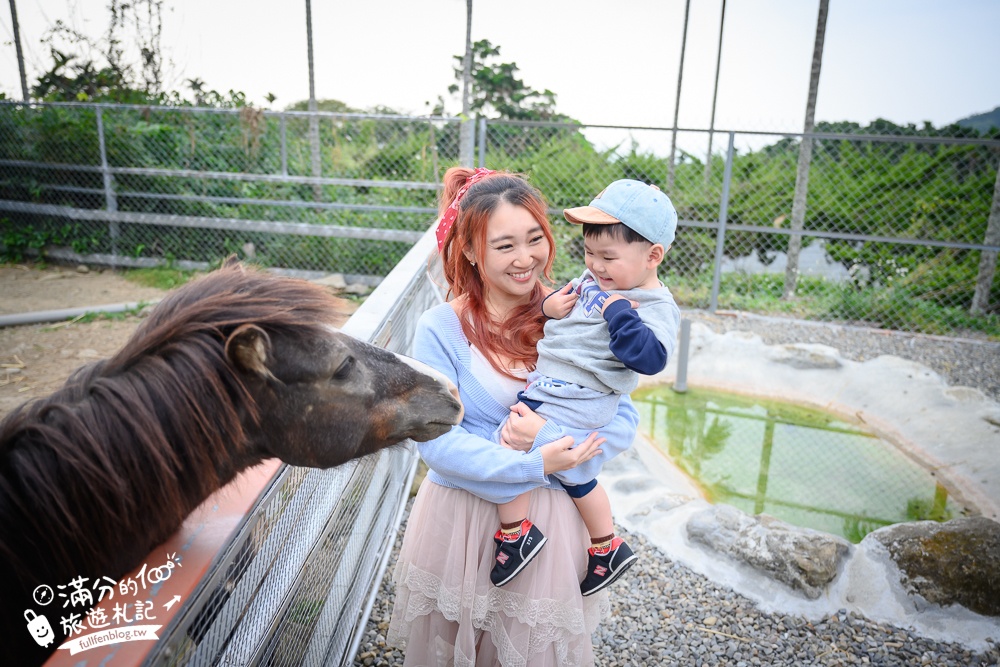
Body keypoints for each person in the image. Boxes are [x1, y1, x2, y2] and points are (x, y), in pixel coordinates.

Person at [387, 167, 640, 666]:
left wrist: (546, 439)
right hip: (463, 516)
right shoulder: (441, 329)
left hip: (552, 519)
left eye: (535, 239)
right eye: (504, 246)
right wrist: (531, 464)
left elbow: (621, 421)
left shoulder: (579, 313)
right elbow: (435, 442)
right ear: (470, 252)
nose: (526, 259)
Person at [489, 179, 681, 596]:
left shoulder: (652, 305)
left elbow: (650, 358)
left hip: (579, 394)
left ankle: (515, 533)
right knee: (576, 476)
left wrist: (620, 316)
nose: (595, 265)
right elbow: (569, 303)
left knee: (510, 445)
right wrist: (548, 306)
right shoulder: (599, 279)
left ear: (652, 256)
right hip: (556, 387)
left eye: (608, 257)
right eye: (589, 253)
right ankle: (605, 546)